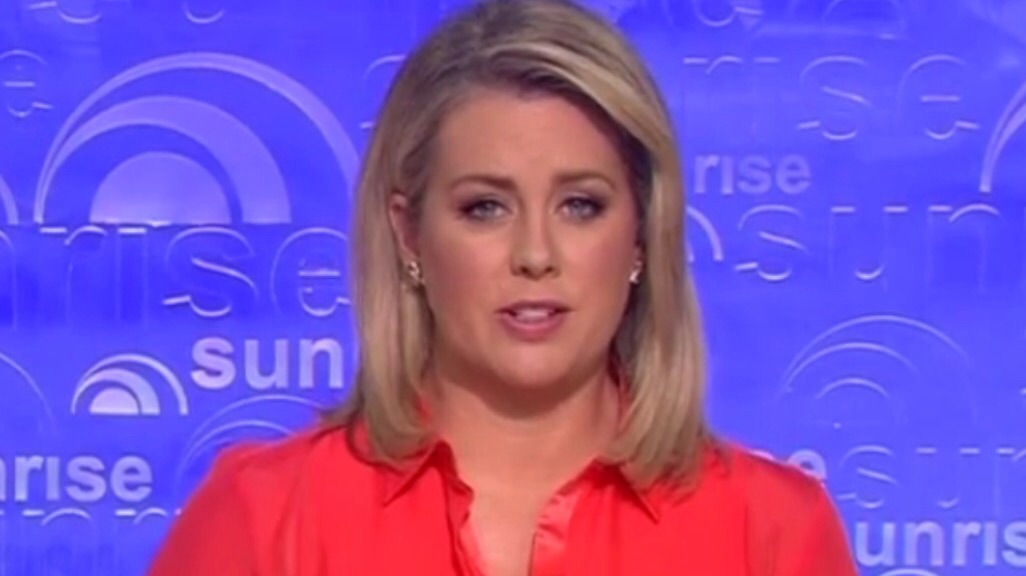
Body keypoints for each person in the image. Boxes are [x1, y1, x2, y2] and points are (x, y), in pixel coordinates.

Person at [148, 0, 859, 574]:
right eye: (485, 208)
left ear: (642, 233)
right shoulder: (264, 516)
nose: (535, 254)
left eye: (580, 205)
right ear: (409, 235)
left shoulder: (770, 532)